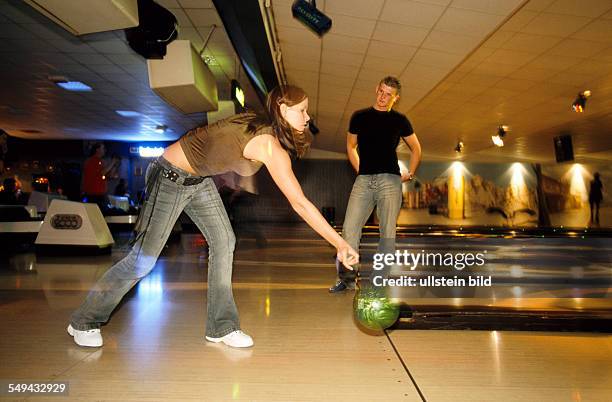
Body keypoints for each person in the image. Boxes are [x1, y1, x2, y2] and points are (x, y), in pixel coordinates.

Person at [68, 85, 359, 349]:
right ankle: (84, 320)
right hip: (169, 175)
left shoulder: (261, 128)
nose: (307, 117)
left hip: (198, 181)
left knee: (224, 240)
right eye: (302, 110)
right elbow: (300, 204)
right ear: (283, 110)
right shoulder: (269, 145)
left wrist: (227, 176)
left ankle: (221, 326)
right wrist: (340, 243)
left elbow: (214, 143)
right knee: (142, 260)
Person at [330, 76, 422, 293]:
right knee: (350, 229)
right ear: (376, 89)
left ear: (395, 98)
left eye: (388, 94)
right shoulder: (360, 117)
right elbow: (351, 146)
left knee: (387, 231)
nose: (383, 97)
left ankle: (380, 278)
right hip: (363, 180)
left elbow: (416, 149)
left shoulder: (400, 120)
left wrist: (410, 173)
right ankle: (347, 278)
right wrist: (360, 169)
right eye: (381, 91)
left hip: (390, 180)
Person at [82, 143, 119, 211]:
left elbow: (107, 175)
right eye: (103, 148)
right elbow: (102, 173)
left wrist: (115, 166)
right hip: (94, 194)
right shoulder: (92, 161)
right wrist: (112, 163)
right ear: (97, 150)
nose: (105, 150)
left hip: (99, 194)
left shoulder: (100, 161)